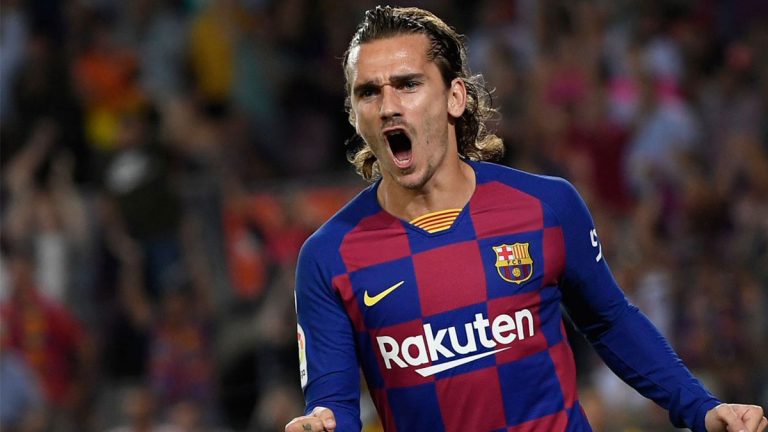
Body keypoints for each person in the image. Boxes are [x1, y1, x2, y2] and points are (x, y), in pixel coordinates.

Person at [285, 6, 766, 432]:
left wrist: (701, 408)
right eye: (368, 92)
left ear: (455, 97)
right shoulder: (329, 257)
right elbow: (334, 405)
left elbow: (611, 321)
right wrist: (319, 425)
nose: (388, 106)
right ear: (355, 115)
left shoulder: (546, 206)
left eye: (408, 84)